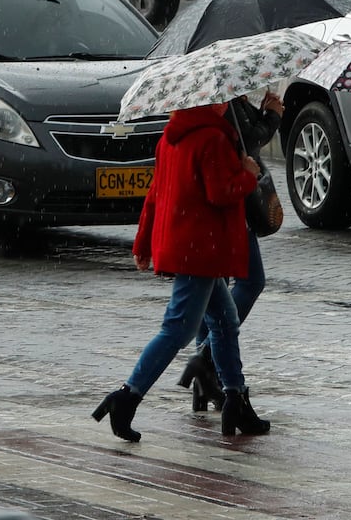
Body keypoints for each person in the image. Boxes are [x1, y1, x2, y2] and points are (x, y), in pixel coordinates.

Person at [92, 102, 271, 441]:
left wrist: (143, 242)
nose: (226, 103)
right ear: (211, 101)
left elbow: (155, 194)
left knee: (224, 320)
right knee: (178, 328)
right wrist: (247, 174)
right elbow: (221, 193)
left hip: (187, 245)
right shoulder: (212, 139)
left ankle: (236, 397)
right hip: (202, 249)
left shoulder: (170, 137)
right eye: (221, 99)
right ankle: (127, 396)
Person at [176, 91, 282, 411]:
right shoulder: (219, 96)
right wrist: (271, 117)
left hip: (227, 205)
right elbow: (245, 140)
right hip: (230, 204)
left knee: (214, 297)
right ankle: (206, 361)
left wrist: (260, 110)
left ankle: (208, 380)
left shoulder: (231, 94)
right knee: (249, 282)